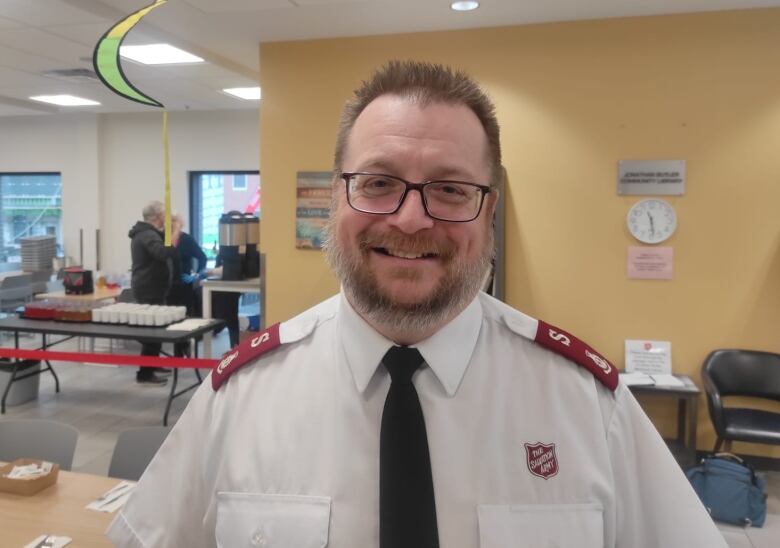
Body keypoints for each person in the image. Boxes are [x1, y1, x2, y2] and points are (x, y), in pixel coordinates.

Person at [108, 61, 727, 547]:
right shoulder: (238, 399)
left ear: (488, 212)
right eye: (377, 183)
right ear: (335, 201)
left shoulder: (589, 408)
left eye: (450, 189)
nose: (409, 219)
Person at [128, 200, 180, 385]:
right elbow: (163, 253)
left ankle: (153, 364)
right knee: (152, 332)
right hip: (149, 288)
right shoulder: (146, 234)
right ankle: (144, 373)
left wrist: (172, 227)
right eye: (165, 214)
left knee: (158, 328)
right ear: (158, 216)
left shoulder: (149, 233)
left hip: (154, 287)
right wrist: (176, 229)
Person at [167, 213, 208, 318]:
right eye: (170, 221)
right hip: (166, 287)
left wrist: (195, 276)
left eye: (175, 221)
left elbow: (202, 258)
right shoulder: (162, 239)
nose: (172, 224)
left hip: (183, 286)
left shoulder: (187, 239)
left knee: (185, 317)